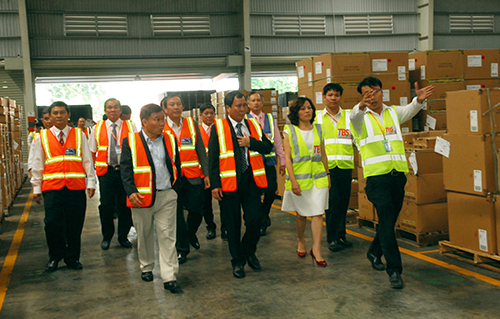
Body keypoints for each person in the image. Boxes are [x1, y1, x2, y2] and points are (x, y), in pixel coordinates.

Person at [350, 76, 434, 289]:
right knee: (387, 218)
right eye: (367, 93)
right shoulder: (359, 118)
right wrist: (360, 105)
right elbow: (354, 116)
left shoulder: (392, 112)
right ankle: (394, 270)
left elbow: (411, 109)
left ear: (382, 92)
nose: (372, 96)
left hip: (397, 176)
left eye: (375, 91)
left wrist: (419, 100)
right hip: (377, 179)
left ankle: (374, 252)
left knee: (389, 221)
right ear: (362, 97)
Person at [209, 90, 273, 279]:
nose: (242, 109)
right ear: (228, 108)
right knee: (232, 224)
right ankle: (237, 261)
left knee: (254, 221)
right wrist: (214, 184)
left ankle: (249, 251)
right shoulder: (219, 127)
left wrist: (250, 142)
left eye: (244, 105)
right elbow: (212, 157)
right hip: (229, 183)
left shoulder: (252, 124)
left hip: (251, 181)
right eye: (238, 106)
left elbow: (267, 147)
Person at [120, 103, 182, 293]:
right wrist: (131, 191)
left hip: (166, 195)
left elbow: (176, 165)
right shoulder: (130, 141)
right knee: (145, 234)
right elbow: (126, 169)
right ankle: (146, 267)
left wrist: (174, 189)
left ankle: (169, 276)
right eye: (157, 120)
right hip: (141, 198)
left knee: (167, 236)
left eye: (163, 119)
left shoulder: (170, 139)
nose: (162, 123)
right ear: (144, 121)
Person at [30, 101, 96, 271]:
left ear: (68, 115)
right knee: (52, 224)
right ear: (50, 117)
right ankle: (55, 256)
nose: (58, 116)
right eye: (55, 113)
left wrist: (91, 182)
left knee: (75, 224)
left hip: (75, 188)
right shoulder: (41, 137)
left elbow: (87, 160)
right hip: (52, 189)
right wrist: (36, 188)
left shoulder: (79, 135)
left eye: (62, 112)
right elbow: (38, 164)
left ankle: (72, 258)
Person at [282, 97, 330, 267]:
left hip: (319, 178)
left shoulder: (319, 129)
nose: (307, 111)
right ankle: (301, 240)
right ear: (296, 113)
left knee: (318, 213)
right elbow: (287, 158)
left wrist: (328, 174)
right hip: (300, 179)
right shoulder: (290, 130)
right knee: (302, 215)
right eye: (303, 108)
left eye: (309, 108)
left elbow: (323, 154)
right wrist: (293, 181)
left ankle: (316, 249)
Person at [161, 95, 209, 264]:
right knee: (176, 215)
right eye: (172, 105)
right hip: (171, 179)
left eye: (179, 104)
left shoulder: (191, 124)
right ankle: (182, 248)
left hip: (193, 175)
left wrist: (207, 173)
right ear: (165, 109)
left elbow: (201, 150)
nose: (176, 107)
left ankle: (190, 234)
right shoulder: (161, 127)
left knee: (197, 211)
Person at [89, 98, 137, 250]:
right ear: (105, 111)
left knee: (125, 206)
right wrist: (91, 176)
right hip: (106, 173)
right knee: (106, 206)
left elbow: (137, 149)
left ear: (120, 110)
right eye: (109, 107)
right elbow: (92, 152)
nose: (113, 110)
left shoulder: (130, 126)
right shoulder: (97, 128)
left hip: (125, 173)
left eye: (116, 107)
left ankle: (123, 236)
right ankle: (107, 236)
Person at [315, 83, 355, 252]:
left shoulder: (349, 116)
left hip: (345, 166)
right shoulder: (317, 117)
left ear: (340, 97)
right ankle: (332, 238)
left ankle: (341, 235)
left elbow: (356, 138)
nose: (333, 98)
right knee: (332, 202)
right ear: (324, 96)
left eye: (337, 95)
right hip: (327, 168)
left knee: (343, 203)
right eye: (330, 95)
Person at [246, 92, 286, 236]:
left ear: (262, 103)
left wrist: (282, 160)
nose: (256, 103)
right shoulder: (245, 120)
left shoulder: (269, 118)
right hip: (253, 164)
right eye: (253, 101)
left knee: (270, 190)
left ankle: (264, 214)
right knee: (255, 194)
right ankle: (260, 222)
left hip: (268, 163)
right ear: (248, 104)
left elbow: (278, 142)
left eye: (258, 100)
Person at [198, 103, 219, 240]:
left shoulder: (219, 129)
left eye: (211, 113)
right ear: (201, 115)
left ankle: (225, 230)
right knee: (206, 204)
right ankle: (210, 227)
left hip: (219, 171)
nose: (209, 116)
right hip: (203, 172)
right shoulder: (197, 130)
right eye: (206, 113)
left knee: (223, 201)